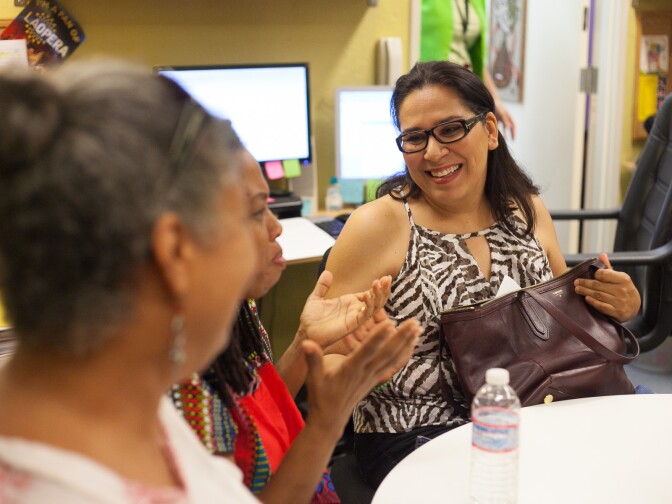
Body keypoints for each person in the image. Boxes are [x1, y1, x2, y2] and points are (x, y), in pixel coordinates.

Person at [0, 60, 417, 503]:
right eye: (251, 215)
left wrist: (328, 415)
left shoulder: (130, 400)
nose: (271, 230)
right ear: (176, 251)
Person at [324, 60, 642, 488]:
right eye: (415, 138)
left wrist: (621, 304)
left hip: (533, 411)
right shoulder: (379, 225)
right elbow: (322, 355)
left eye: (451, 129)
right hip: (418, 430)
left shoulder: (525, 207)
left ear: (490, 130)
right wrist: (359, 368)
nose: (433, 152)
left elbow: (564, 320)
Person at [172, 149, 422, 503]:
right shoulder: (183, 383)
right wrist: (327, 422)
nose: (276, 226)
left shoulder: (238, 313)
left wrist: (307, 343)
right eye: (257, 212)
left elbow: (260, 410)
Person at [420, 0, 516, 139]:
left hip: (467, 94)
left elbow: (477, 60)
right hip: (430, 94)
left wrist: (495, 100)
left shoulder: (478, 2)